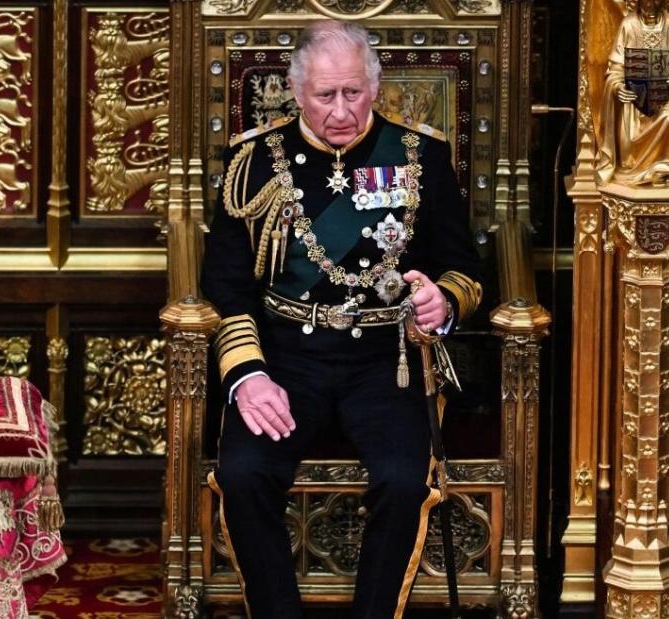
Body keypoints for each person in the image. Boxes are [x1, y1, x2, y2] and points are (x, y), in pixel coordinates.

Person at [200, 19, 483, 619]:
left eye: (353, 92)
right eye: (325, 95)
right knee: (244, 474)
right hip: (283, 357)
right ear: (296, 91)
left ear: (374, 87)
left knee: (404, 480)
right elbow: (225, 283)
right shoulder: (254, 161)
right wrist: (248, 375)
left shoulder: (420, 156)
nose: (340, 111)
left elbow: (465, 268)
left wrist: (443, 301)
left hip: (387, 360)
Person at [596, 0, 669, 185]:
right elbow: (615, 69)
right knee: (628, 137)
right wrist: (618, 87)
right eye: (646, 1)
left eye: (655, 0)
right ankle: (638, 169)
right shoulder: (628, 25)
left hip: (668, 95)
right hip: (635, 99)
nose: (650, 5)